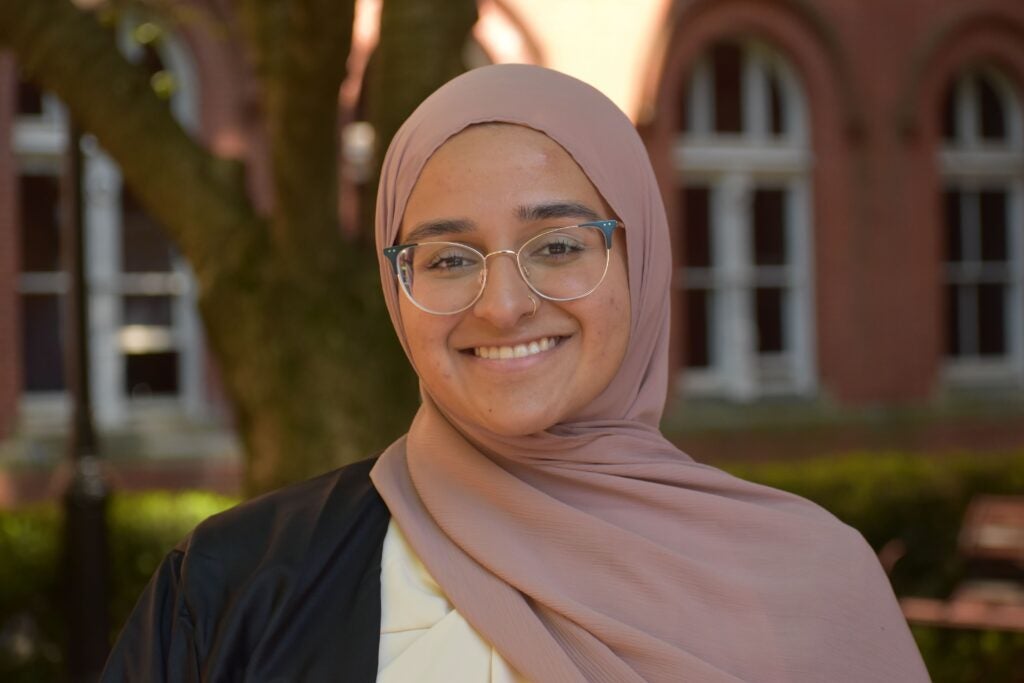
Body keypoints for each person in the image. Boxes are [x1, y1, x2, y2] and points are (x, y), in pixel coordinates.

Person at [102, 64, 929, 682]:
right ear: (397, 286)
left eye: (560, 246)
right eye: (450, 257)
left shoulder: (814, 586)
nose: (502, 306)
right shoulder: (232, 590)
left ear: (640, 258)